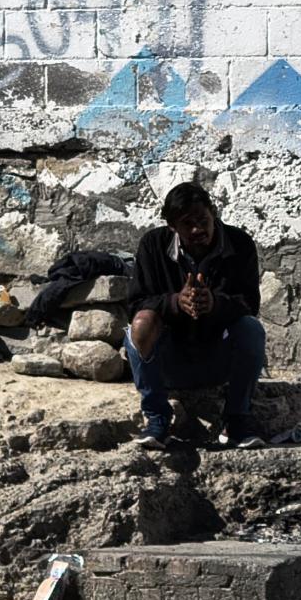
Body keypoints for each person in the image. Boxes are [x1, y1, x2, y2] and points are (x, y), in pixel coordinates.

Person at [126, 182, 267, 450]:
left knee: (251, 328)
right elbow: (135, 303)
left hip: (217, 359)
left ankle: (236, 420)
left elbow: (249, 304)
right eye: (187, 224)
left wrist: (214, 304)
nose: (197, 230)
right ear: (172, 227)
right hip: (168, 361)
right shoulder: (153, 245)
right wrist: (175, 303)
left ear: (213, 213)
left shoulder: (239, 244)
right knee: (142, 323)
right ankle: (157, 419)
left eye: (202, 220)